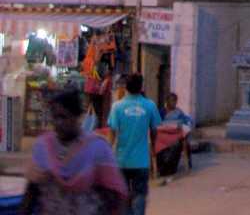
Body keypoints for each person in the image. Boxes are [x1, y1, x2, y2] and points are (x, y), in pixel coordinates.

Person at [22, 87, 127, 215]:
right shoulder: (43, 146)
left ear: (77, 116)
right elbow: (32, 191)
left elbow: (114, 194)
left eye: (64, 117)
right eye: (55, 117)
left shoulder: (97, 148)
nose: (58, 123)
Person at [107, 73, 160, 215]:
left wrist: (107, 154)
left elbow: (112, 133)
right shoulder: (150, 105)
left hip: (121, 160)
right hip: (142, 161)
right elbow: (154, 131)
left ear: (126, 87)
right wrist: (153, 148)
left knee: (123, 197)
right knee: (139, 195)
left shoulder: (117, 107)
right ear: (141, 86)